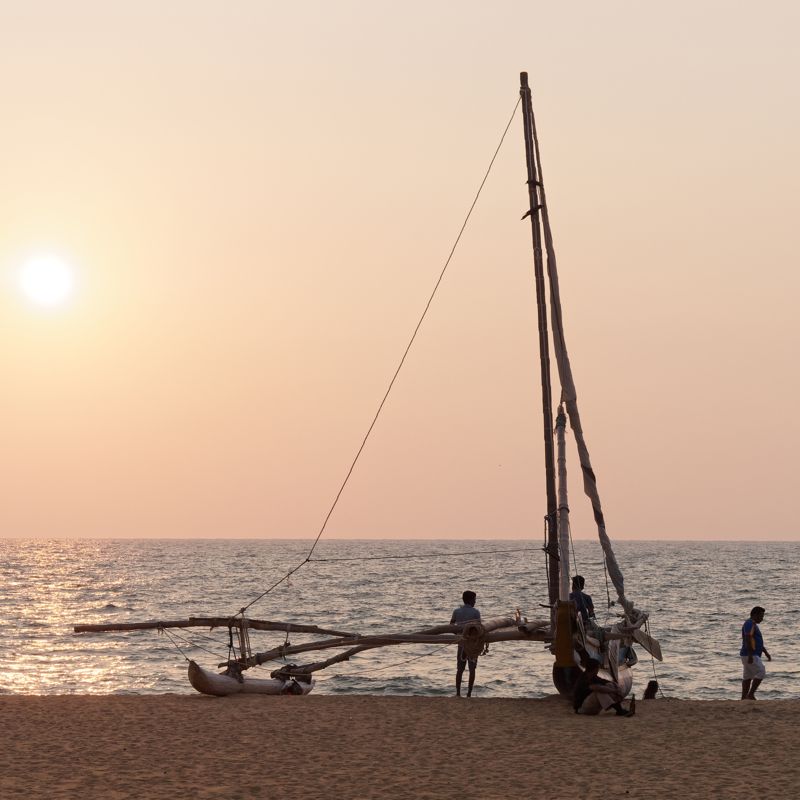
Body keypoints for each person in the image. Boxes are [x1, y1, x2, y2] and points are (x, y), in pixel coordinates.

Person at [450, 590, 480, 697]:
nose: (475, 602)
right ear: (471, 600)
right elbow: (479, 628)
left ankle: (458, 693)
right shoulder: (475, 612)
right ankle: (469, 694)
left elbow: (451, 625)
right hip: (472, 645)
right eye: (474, 599)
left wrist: (458, 634)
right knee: (472, 669)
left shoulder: (456, 611)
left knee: (460, 669)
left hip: (461, 644)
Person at [741, 606, 771, 700]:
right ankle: (750, 695)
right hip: (750, 654)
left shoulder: (753, 624)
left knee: (747, 676)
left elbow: (756, 641)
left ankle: (743, 698)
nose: (762, 619)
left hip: (749, 654)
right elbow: (748, 638)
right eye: (761, 616)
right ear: (755, 615)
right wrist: (750, 655)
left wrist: (765, 652)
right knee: (761, 671)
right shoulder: (749, 623)